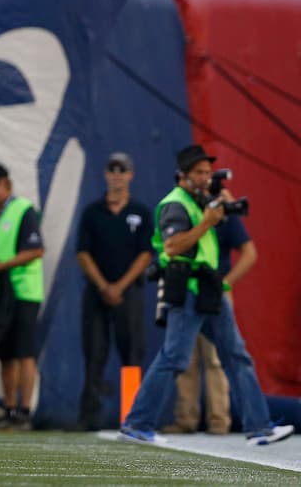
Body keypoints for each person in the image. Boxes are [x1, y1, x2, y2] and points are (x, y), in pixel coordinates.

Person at [120, 145, 292, 446]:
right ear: (183, 176)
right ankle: (137, 423)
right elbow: (173, 247)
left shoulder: (202, 202)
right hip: (187, 288)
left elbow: (231, 222)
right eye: (199, 172)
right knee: (174, 357)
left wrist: (221, 205)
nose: (206, 177)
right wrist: (207, 222)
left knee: (236, 355)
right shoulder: (176, 204)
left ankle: (259, 427)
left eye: (208, 172)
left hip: (209, 289)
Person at [75, 152, 153, 431]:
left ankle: (131, 415)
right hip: (97, 292)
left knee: (131, 353)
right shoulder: (92, 212)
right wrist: (104, 285)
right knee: (94, 352)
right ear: (107, 174)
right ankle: (89, 417)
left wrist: (120, 286)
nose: (117, 175)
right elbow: (82, 253)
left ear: (130, 174)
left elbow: (146, 254)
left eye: (123, 170)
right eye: (112, 170)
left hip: (128, 292)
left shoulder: (141, 213)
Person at [168, 214, 256, 434]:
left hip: (215, 294)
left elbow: (249, 253)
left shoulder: (224, 216)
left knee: (216, 358)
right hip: (188, 290)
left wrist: (225, 284)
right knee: (185, 357)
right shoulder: (185, 211)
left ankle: (219, 420)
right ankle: (186, 419)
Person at [0, 162, 44, 430]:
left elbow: (36, 250)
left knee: (24, 351)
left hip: (22, 290)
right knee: (4, 353)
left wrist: (1, 266)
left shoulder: (23, 210)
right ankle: (9, 409)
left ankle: (25, 411)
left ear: (5, 185)